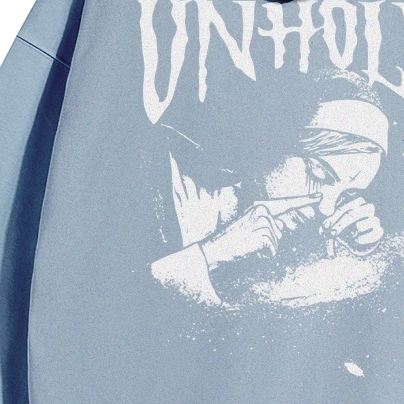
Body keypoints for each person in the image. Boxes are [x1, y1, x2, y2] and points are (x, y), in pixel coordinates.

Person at [151, 91, 388, 306]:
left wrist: (357, 247)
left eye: (348, 193)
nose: (327, 208)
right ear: (273, 145)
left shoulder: (292, 224)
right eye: (318, 173)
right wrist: (214, 252)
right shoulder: (165, 178)